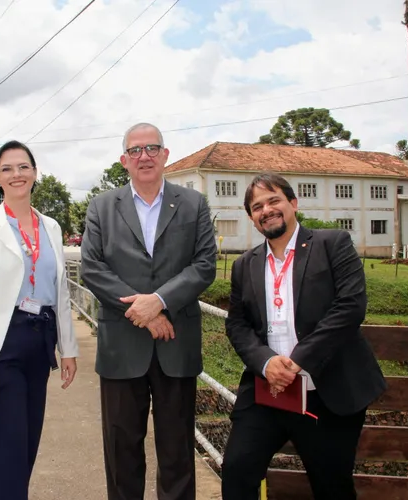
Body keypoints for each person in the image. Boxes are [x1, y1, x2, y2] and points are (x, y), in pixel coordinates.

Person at [221, 173, 387, 500]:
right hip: (268, 390)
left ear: (293, 203)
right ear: (252, 219)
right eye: (257, 207)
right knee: (237, 470)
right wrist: (266, 362)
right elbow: (237, 324)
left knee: (331, 485)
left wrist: (298, 361)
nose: (266, 210)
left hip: (327, 390)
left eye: (273, 201)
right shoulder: (244, 265)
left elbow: (350, 307)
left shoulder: (332, 244)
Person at [81, 123, 217, 500]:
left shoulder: (193, 204)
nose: (145, 156)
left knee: (177, 451)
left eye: (152, 148)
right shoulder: (102, 207)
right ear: (124, 159)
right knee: (121, 449)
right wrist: (144, 310)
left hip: (176, 344)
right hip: (122, 347)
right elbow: (92, 267)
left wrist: (159, 301)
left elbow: (205, 264)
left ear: (165, 155)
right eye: (136, 150)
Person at [0, 140, 79, 499]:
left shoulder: (51, 227)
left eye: (23, 167)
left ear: (35, 173)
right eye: (7, 169)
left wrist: (67, 348)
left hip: (38, 343)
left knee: (24, 446)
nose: (16, 174)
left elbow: (61, 291)